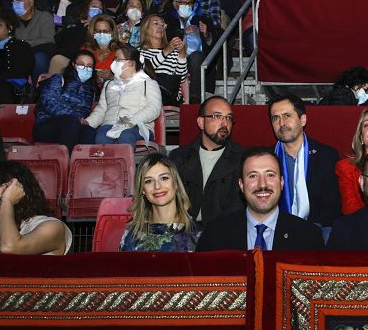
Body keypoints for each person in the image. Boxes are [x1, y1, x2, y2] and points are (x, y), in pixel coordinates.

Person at [195, 147, 325, 252]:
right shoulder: (215, 234)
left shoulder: (308, 237)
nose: (262, 184)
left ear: (281, 182)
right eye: (253, 176)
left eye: (270, 175)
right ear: (241, 185)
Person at [168, 96, 245, 224]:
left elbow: (237, 209)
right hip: (184, 232)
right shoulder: (179, 157)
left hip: (222, 233)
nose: (224, 123)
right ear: (201, 122)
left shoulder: (242, 159)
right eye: (217, 116)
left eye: (228, 118)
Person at [268, 92, 341, 228]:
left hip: (317, 231)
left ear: (303, 120)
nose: (281, 123)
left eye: (287, 116)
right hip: (275, 229)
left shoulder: (326, 156)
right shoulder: (265, 158)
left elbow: (332, 207)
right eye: (275, 118)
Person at [82, 45, 162, 146]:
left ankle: (126, 162)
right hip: (110, 124)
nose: (113, 63)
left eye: (117, 59)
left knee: (126, 135)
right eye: (114, 59)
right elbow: (101, 109)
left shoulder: (148, 83)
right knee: (101, 137)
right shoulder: (109, 84)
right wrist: (89, 122)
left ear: (130, 63)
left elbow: (154, 108)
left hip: (138, 125)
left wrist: (130, 120)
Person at [118, 155, 200, 252]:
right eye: (148, 181)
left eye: (164, 178)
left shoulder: (198, 235)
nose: (157, 186)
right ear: (143, 190)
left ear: (176, 183)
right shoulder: (131, 237)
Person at [164, 0, 219, 103]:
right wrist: (183, 31)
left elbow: (214, 45)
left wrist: (206, 34)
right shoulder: (166, 19)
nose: (187, 5)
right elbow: (164, 37)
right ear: (174, 3)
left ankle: (194, 98)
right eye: (183, 2)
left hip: (197, 61)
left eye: (189, 3)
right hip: (174, 59)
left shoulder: (201, 20)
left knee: (196, 56)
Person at [32, 51, 97, 149]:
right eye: (81, 64)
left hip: (74, 127)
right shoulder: (59, 79)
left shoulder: (91, 89)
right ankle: (66, 160)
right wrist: (75, 117)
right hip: (47, 124)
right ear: (73, 65)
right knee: (71, 122)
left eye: (89, 66)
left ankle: (82, 163)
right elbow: (49, 102)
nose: (85, 68)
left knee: (89, 131)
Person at [140, 13, 187, 106]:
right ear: (146, 28)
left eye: (163, 25)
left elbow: (180, 79)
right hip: (146, 95)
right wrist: (166, 51)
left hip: (168, 96)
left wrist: (182, 55)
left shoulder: (173, 53)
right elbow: (145, 70)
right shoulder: (139, 52)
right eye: (156, 24)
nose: (160, 27)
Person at [0, 10, 35, 104]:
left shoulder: (21, 46)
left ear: (9, 28)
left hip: (15, 85)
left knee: (3, 86)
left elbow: (25, 68)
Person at [10, 0, 55, 80]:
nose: (15, 2)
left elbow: (48, 38)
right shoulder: (11, 20)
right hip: (17, 54)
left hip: (38, 53)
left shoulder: (44, 16)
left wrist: (24, 44)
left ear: (30, 2)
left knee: (39, 58)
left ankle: (37, 90)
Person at [85, 13, 119, 82]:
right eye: (98, 31)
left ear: (112, 32)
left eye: (106, 31)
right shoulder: (86, 49)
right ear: (93, 32)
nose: (102, 34)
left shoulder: (120, 51)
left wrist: (112, 76)